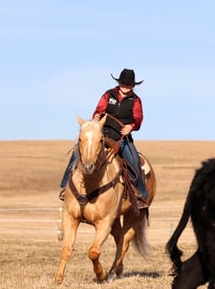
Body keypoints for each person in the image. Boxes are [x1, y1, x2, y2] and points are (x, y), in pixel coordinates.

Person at [59, 68, 149, 209]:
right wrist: (96, 116)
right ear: (119, 82)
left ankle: (140, 195)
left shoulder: (135, 100)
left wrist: (131, 126)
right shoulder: (108, 94)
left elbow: (138, 118)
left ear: (133, 85)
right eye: (123, 83)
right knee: (77, 153)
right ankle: (65, 187)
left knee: (134, 161)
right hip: (102, 134)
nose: (125, 87)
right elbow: (99, 109)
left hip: (121, 137)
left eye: (129, 84)